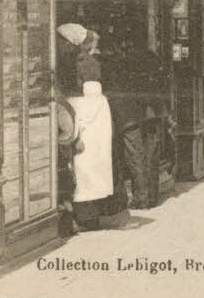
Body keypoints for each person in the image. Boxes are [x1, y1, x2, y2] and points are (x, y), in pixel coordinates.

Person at [56, 24, 115, 231]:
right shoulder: (85, 62)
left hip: (85, 121)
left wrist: (76, 132)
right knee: (87, 170)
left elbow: (86, 101)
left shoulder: (81, 64)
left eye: (62, 41)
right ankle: (88, 217)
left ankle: (85, 218)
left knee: (83, 170)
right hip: (89, 121)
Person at [108, 37, 169, 210]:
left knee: (135, 156)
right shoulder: (152, 57)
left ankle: (141, 198)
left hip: (132, 117)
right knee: (152, 154)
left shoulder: (122, 62)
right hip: (154, 112)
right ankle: (151, 196)